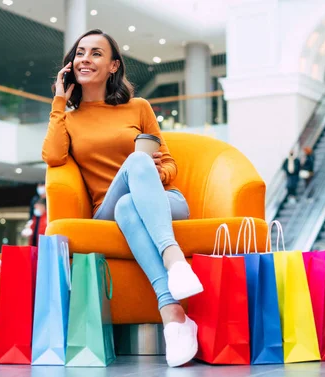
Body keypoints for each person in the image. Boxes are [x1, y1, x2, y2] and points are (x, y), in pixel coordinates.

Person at [42, 29, 201, 367]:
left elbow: (169, 162)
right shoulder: (68, 119)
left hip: (162, 202)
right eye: (80, 52)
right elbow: (53, 156)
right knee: (131, 181)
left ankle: (172, 312)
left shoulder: (138, 107)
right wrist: (59, 98)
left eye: (96, 53)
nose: (85, 58)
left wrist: (152, 173)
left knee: (134, 195)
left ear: (113, 66)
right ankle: (174, 260)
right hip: (107, 211)